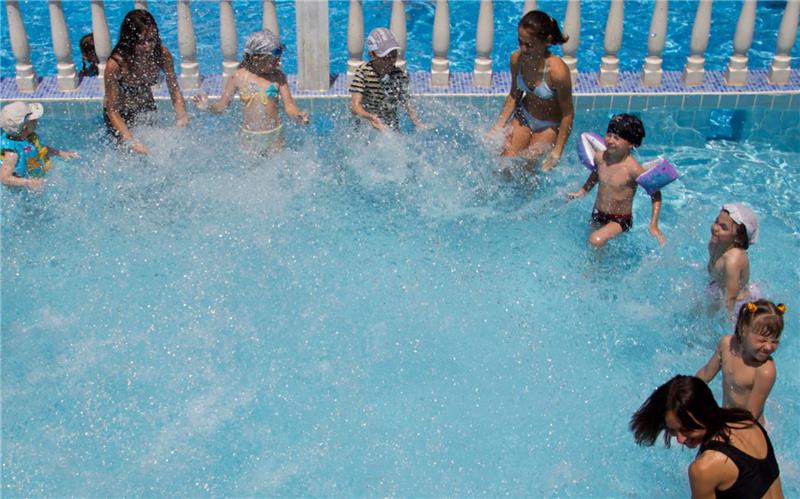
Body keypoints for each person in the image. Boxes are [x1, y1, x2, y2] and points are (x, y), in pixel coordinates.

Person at [631, 375, 783, 499]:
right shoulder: (746, 422)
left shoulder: (704, 468)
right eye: (672, 431)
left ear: (704, 413)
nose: (680, 439)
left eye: (687, 429)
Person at [193, 30, 309, 156]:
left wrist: (298, 115)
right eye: (274, 60)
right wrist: (207, 106)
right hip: (249, 136)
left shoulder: (278, 77)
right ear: (256, 58)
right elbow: (221, 107)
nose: (278, 62)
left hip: (274, 134)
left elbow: (289, 105)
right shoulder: (238, 77)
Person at [488, 10, 574, 172]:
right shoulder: (517, 60)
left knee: (528, 164)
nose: (523, 48)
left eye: (529, 44)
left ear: (547, 41)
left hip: (548, 126)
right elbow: (514, 95)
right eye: (520, 42)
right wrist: (498, 126)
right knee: (505, 162)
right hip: (524, 117)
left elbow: (568, 114)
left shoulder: (558, 72)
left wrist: (557, 151)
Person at [568, 114, 665, 247]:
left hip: (619, 220)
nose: (610, 140)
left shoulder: (633, 169)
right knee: (593, 247)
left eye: (617, 138)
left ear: (630, 144)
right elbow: (596, 174)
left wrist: (653, 225)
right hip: (598, 213)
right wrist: (582, 191)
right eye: (609, 135)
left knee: (596, 239)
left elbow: (655, 193)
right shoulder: (600, 157)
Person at [103, 10, 189, 155]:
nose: (148, 46)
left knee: (155, 153)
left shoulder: (162, 55)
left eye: (151, 40)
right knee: (125, 156)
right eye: (141, 42)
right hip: (120, 115)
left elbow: (174, 89)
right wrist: (130, 140)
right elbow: (112, 110)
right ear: (129, 41)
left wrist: (182, 116)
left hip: (146, 107)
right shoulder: (116, 64)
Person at [696, 300, 785, 423]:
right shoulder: (727, 345)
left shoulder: (765, 371)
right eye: (762, 340)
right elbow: (705, 375)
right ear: (744, 330)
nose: (769, 347)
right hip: (727, 419)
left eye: (775, 341)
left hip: (748, 426)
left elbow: (750, 417)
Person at [349, 28, 424, 131]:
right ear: (372, 55)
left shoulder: (398, 74)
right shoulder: (363, 72)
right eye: (386, 57)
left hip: (390, 122)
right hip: (366, 122)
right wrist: (371, 118)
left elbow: (406, 102)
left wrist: (417, 123)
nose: (391, 61)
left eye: (394, 55)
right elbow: (355, 106)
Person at [0, 102, 79, 189]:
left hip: (38, 174)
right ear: (25, 127)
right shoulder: (11, 153)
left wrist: (60, 153)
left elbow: (41, 150)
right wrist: (28, 182)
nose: (37, 121)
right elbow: (4, 178)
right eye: (34, 120)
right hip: (22, 189)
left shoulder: (27, 137)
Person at [707, 203, 760, 312]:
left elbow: (731, 298)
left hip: (737, 303)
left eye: (723, 227)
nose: (715, 228)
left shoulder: (733, 261)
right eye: (716, 221)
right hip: (719, 288)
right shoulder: (715, 243)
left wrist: (725, 320)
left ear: (738, 238)